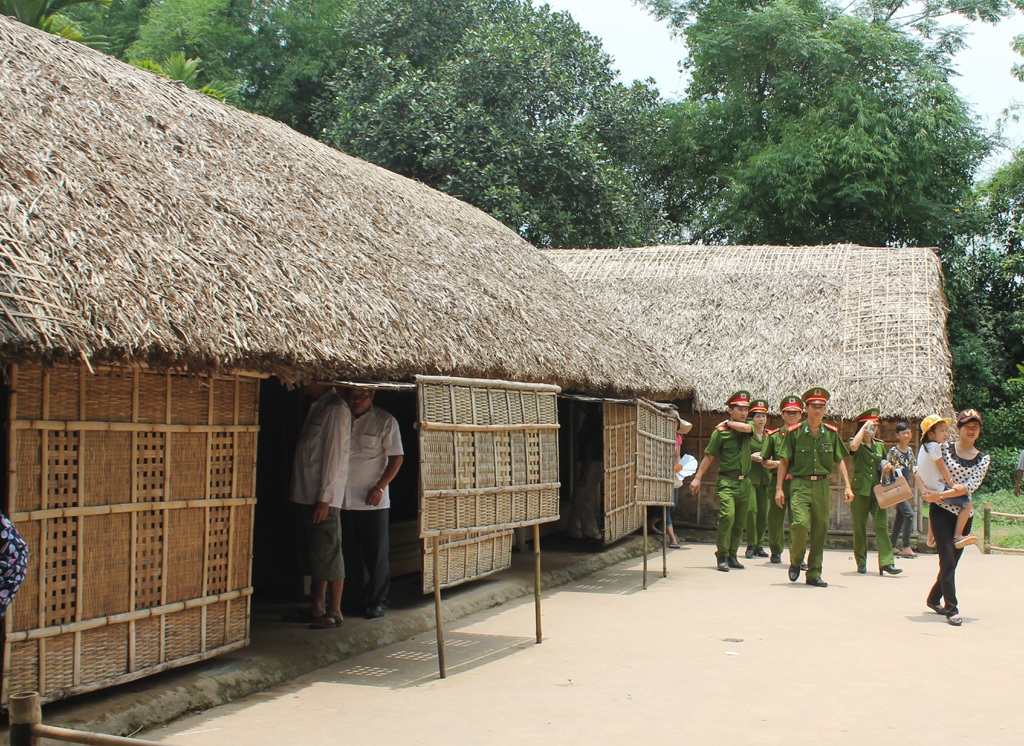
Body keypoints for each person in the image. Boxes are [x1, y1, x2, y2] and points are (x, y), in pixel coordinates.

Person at [775, 386, 854, 587]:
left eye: (821, 406)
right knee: (799, 524)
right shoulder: (794, 433)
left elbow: (840, 461)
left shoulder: (831, 433)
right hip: (799, 484)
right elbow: (784, 461)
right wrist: (779, 488)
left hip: (821, 485)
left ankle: (814, 573)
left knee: (820, 529)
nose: (818, 410)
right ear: (806, 409)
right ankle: (796, 559)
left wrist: (847, 486)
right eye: (814, 406)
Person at [289, 383, 350, 629]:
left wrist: (325, 497)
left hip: (321, 497)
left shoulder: (335, 409)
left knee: (328, 551)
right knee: (317, 552)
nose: (302, 381)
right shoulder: (319, 407)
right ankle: (317, 606)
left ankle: (334, 610)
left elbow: (334, 456)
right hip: (307, 494)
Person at [922, 409, 991, 627]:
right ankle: (951, 609)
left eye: (975, 427)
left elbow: (968, 488)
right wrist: (928, 492)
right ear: (958, 429)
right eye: (967, 426)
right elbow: (924, 467)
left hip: (963, 515)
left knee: (952, 562)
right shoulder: (942, 448)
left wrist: (939, 494)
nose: (971, 430)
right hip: (941, 512)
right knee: (948, 560)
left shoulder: (982, 459)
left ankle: (934, 598)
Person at [341, 387, 404, 620]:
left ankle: (378, 601)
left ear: (373, 396)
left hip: (372, 501)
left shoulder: (385, 420)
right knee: (348, 553)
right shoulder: (341, 417)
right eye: (353, 395)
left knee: (375, 554)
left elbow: (397, 458)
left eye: (362, 395)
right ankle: (352, 600)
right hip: (343, 499)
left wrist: (380, 487)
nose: (356, 400)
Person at [690, 390, 754, 572]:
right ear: (730, 409)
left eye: (746, 409)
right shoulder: (720, 433)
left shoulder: (747, 427)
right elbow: (709, 456)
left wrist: (728, 422)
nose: (743, 413)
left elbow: (749, 429)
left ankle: (733, 555)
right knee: (728, 516)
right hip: (727, 481)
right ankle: (723, 555)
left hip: (745, 483)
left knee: (740, 521)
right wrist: (697, 478)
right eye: (739, 409)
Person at [848, 408, 901, 576]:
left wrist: (887, 467)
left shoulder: (879, 444)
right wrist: (863, 430)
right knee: (860, 526)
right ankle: (861, 561)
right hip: (860, 491)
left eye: (876, 425)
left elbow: (883, 461)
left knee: (882, 526)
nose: (874, 428)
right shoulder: (855, 441)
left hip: (877, 491)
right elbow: (854, 447)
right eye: (871, 425)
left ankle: (886, 562)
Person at [916, 415, 977, 549]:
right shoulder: (935, 447)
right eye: (942, 431)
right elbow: (942, 466)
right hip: (939, 489)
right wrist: (952, 483)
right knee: (967, 505)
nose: (945, 434)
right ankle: (958, 535)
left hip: (929, 488)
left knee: (936, 505)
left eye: (946, 430)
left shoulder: (923, 448)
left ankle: (931, 537)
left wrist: (923, 489)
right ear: (931, 434)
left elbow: (916, 472)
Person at [759, 395, 804, 564]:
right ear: (782, 415)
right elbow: (764, 462)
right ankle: (776, 550)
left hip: (799, 483)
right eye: (788, 412)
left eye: (795, 413)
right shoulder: (774, 436)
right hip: (778, 482)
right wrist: (779, 464)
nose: (791, 415)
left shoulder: (805, 436)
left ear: (801, 415)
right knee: (775, 518)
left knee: (799, 520)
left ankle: (796, 553)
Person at [569, 407, 604, 542]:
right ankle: (574, 530)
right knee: (579, 497)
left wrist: (585, 471)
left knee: (582, 499)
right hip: (594, 464)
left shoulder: (592, 420)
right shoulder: (597, 419)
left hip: (592, 464)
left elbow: (590, 447)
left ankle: (593, 532)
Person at [884, 422, 917, 558]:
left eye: (908, 433)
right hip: (896, 488)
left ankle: (892, 546)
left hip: (905, 487)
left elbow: (914, 468)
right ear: (897, 435)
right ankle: (906, 545)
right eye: (903, 433)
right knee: (909, 515)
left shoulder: (909, 450)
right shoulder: (893, 451)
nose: (906, 435)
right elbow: (887, 466)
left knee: (901, 517)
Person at [744, 399, 772, 559]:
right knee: (751, 510)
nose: (761, 419)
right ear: (751, 418)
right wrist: (750, 457)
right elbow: (741, 453)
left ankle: (759, 545)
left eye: (763, 416)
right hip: (750, 477)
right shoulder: (747, 435)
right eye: (758, 416)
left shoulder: (770, 436)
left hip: (765, 478)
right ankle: (750, 543)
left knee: (763, 512)